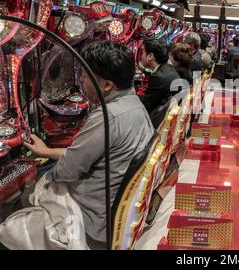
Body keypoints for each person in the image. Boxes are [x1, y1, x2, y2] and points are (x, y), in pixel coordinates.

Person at [21, 42, 155, 248]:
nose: (81, 82)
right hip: (113, 210)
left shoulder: (108, 116)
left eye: (84, 76)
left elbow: (67, 171)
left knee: (23, 198)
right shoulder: (134, 105)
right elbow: (91, 155)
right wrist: (46, 151)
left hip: (90, 219)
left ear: (107, 85)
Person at [139, 39, 180, 116]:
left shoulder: (158, 77)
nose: (141, 56)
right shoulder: (169, 67)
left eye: (142, 53)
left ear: (150, 56)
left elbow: (145, 105)